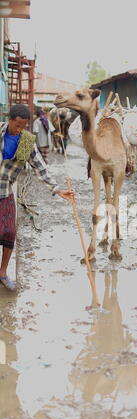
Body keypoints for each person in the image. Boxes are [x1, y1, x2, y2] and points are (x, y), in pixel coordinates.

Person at [0, 104, 74, 291]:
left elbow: (40, 167)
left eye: (23, 126)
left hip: (5, 191)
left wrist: (57, 189)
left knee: (9, 232)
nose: (19, 130)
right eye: (17, 125)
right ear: (9, 120)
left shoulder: (26, 142)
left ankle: (2, 272)